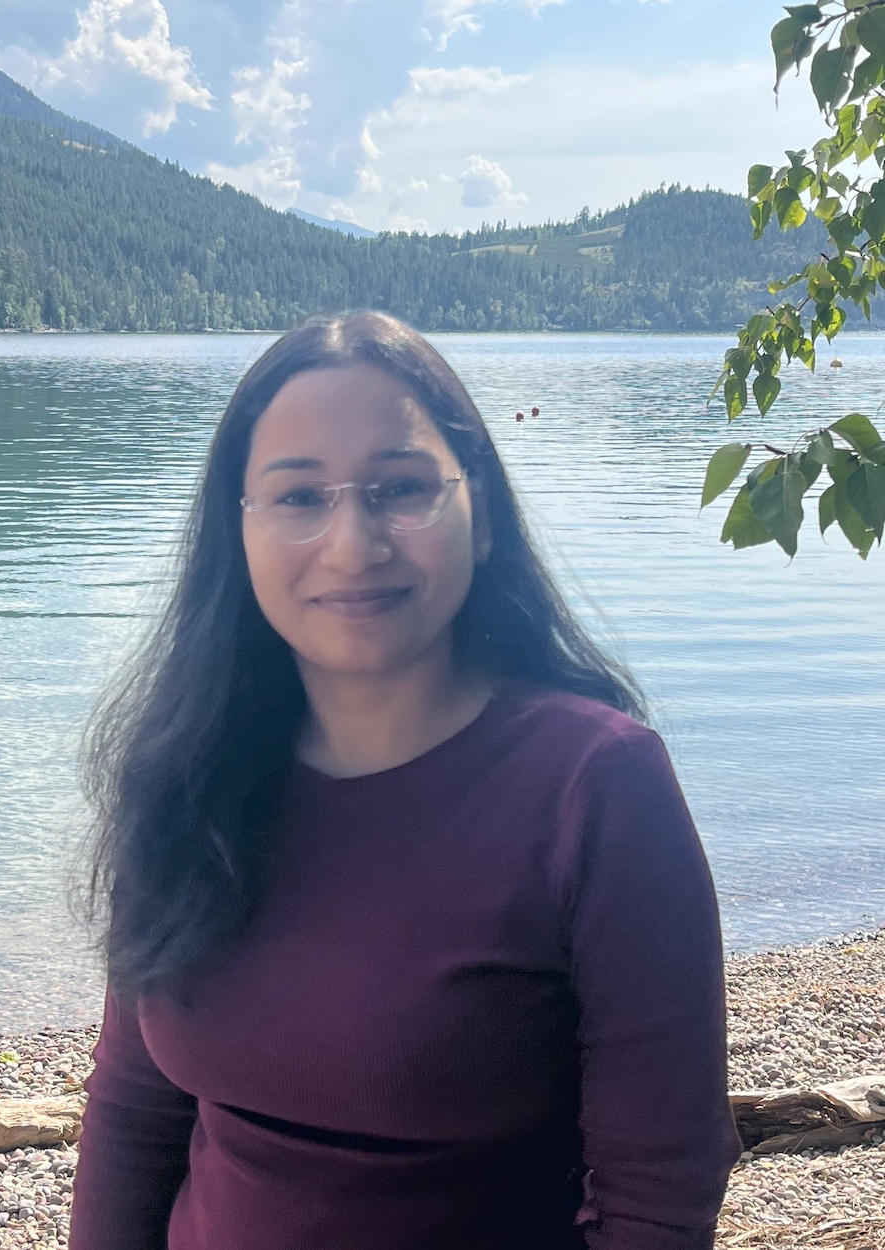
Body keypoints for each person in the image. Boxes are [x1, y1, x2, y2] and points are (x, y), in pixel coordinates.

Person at [69, 310, 741, 1250]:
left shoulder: (595, 787)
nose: (353, 544)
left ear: (486, 518)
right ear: (239, 532)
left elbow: (657, 1196)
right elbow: (135, 1115)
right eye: (300, 498)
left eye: (400, 488)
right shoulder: (190, 771)